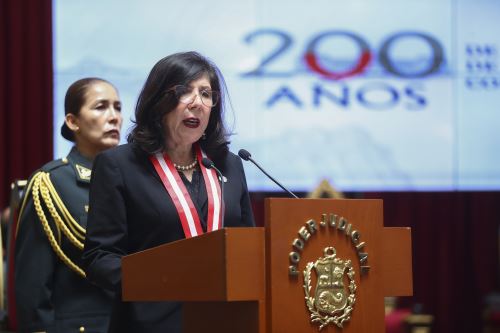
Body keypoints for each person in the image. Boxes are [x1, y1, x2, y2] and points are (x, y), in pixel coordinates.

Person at [82, 51, 255, 332]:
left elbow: (249, 249)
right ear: (158, 101)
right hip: (150, 322)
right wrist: (160, 278)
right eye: (185, 91)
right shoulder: (118, 165)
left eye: (206, 94)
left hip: (224, 321)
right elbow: (100, 258)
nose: (198, 103)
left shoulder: (229, 165)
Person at [14, 77, 123, 332]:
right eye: (100, 107)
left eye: (117, 107)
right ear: (73, 121)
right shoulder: (51, 183)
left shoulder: (132, 179)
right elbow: (33, 283)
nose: (114, 116)